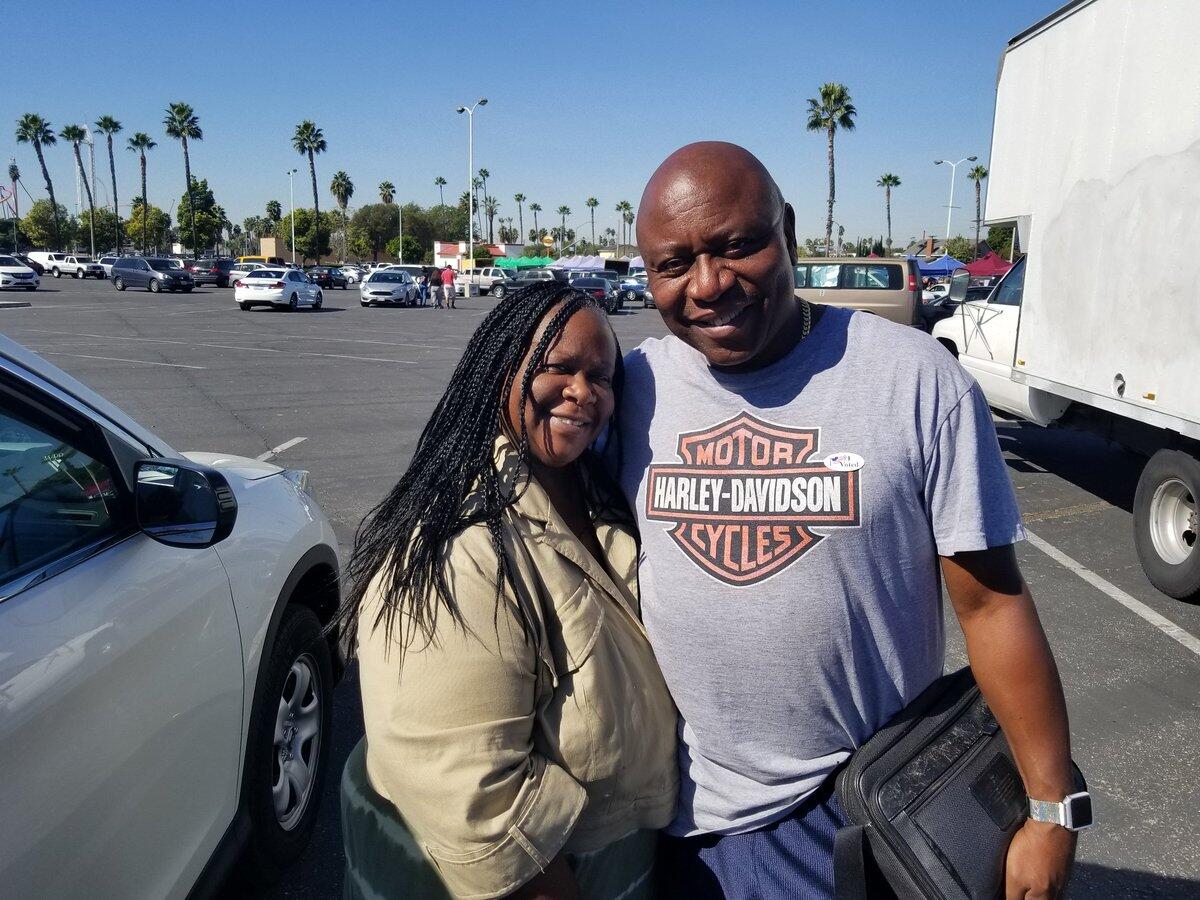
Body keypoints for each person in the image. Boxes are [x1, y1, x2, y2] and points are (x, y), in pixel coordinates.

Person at [621, 142, 1078, 898]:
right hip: (688, 819)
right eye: (675, 264)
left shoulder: (914, 378)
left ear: (788, 232)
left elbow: (992, 602)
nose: (709, 284)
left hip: (868, 807)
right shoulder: (633, 386)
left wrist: (1052, 808)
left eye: (738, 245)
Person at [345, 281, 678, 899]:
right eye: (560, 369)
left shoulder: (593, 495)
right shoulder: (461, 548)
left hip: (626, 860)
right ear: (502, 372)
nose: (584, 393)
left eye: (601, 377)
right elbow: (475, 807)